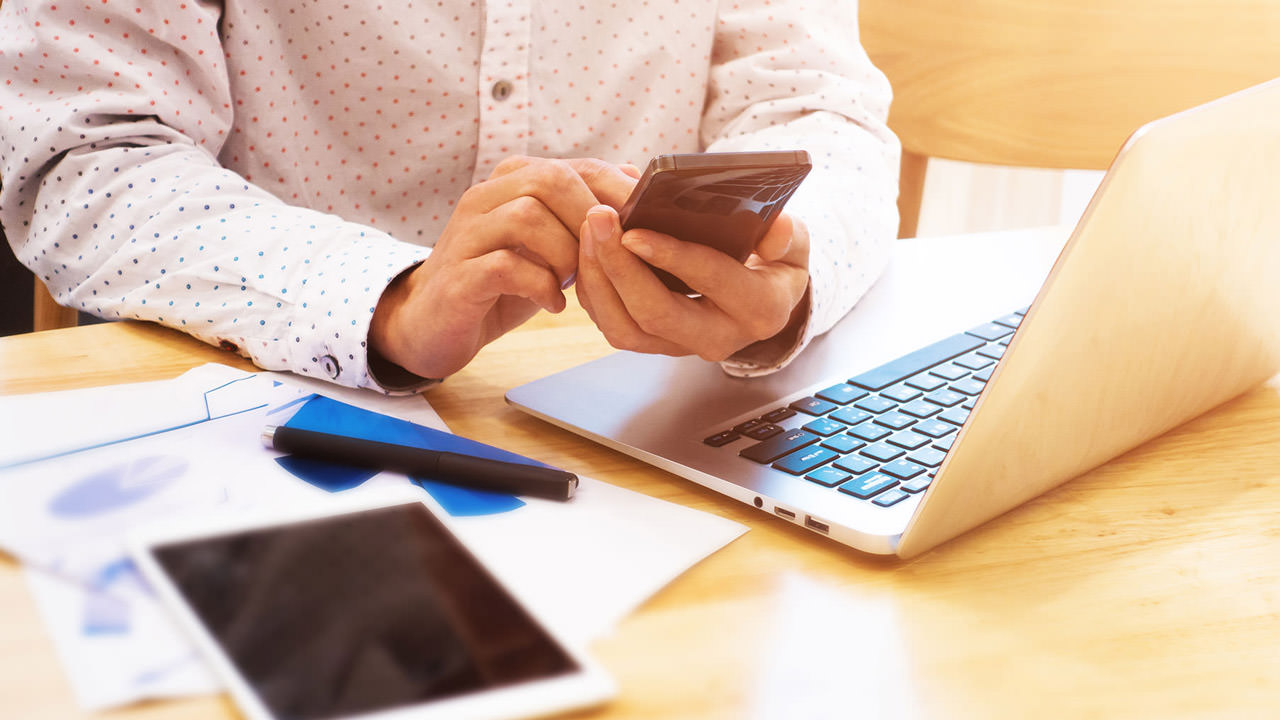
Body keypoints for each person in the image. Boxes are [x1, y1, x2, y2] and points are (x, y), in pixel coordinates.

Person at [0, 0, 899, 393]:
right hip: (253, 398)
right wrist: (382, 302)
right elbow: (85, 156)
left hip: (653, 415)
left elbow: (821, 110)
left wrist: (784, 271)